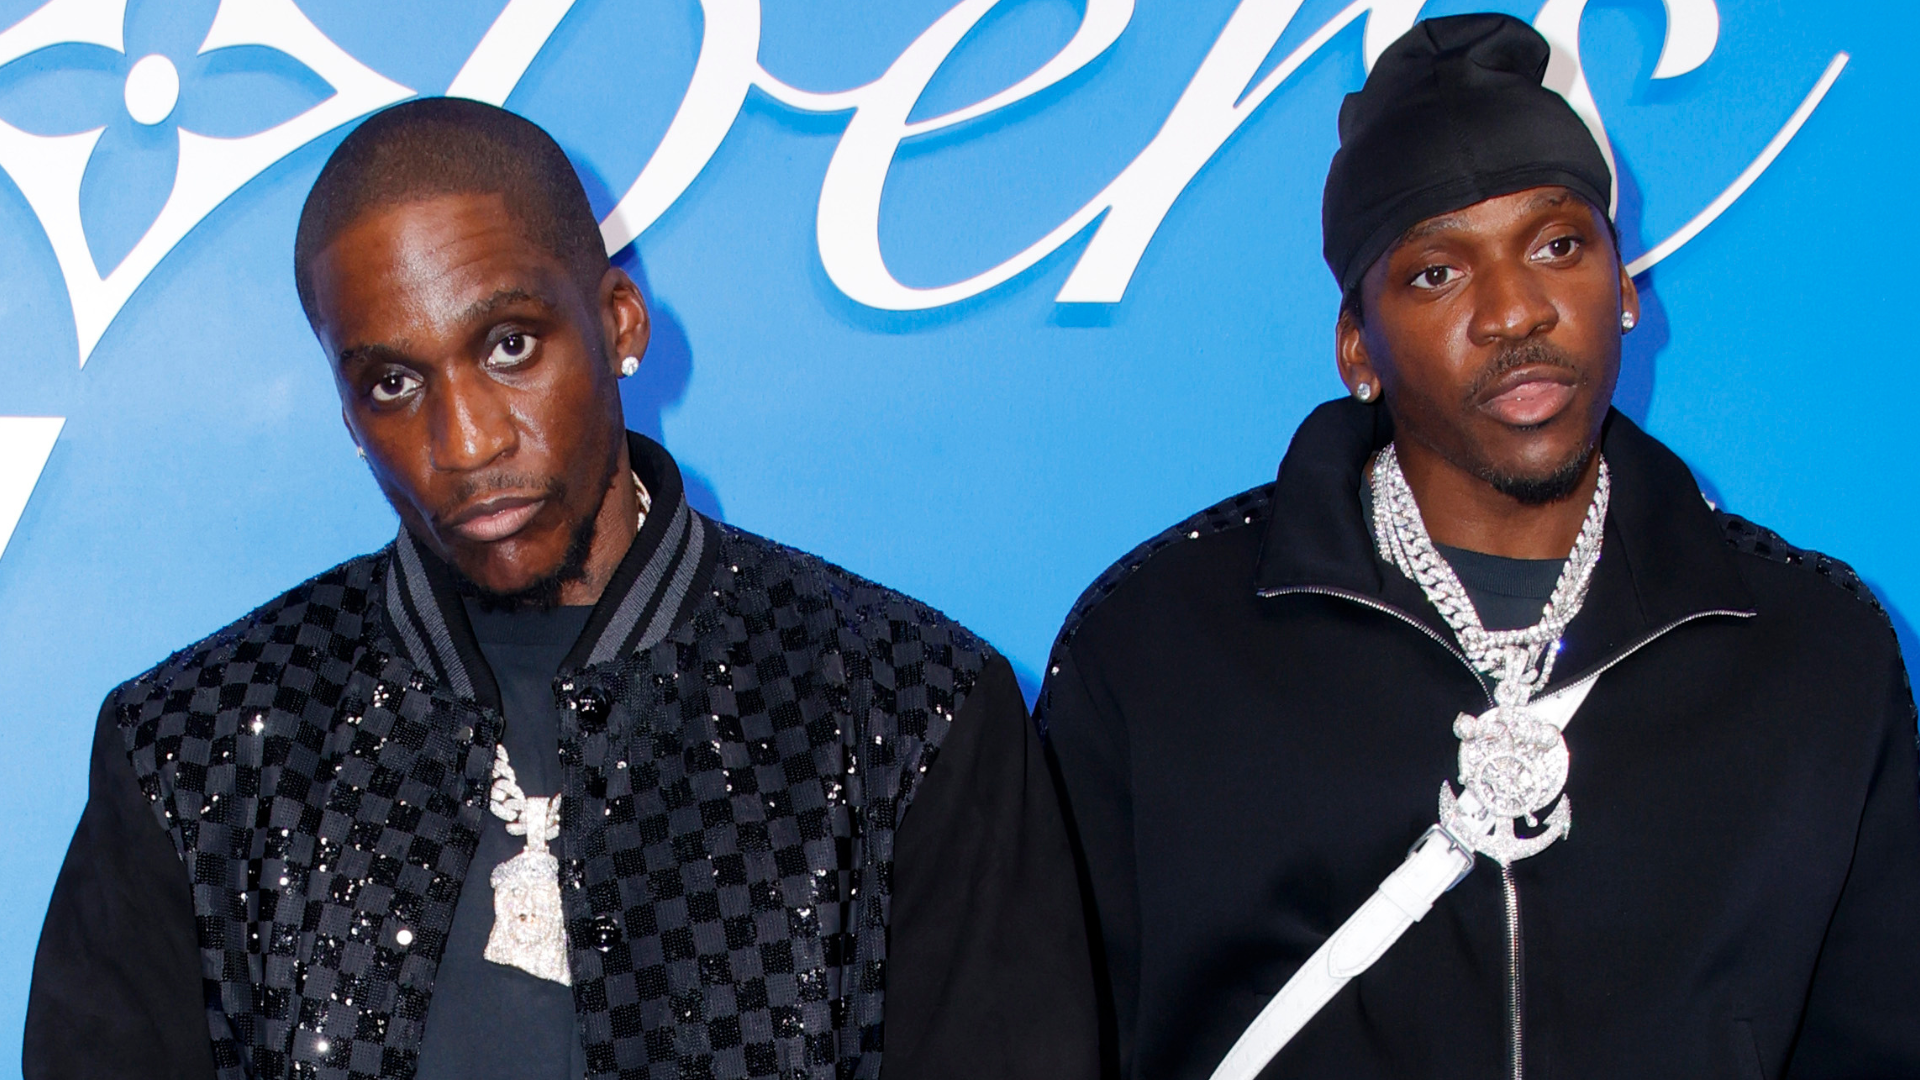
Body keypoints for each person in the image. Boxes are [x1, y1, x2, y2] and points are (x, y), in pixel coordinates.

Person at [25, 98, 1096, 1080]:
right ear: (350, 418)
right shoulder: (199, 747)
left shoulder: (905, 713)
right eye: (394, 383)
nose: (468, 440)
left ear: (620, 324)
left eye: (509, 344)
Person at [1038, 13, 1920, 1080]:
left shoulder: (1810, 649)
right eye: (1435, 274)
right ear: (1357, 347)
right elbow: (1057, 1036)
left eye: (1558, 245)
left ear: (1626, 286)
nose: (1515, 310)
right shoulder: (1161, 645)